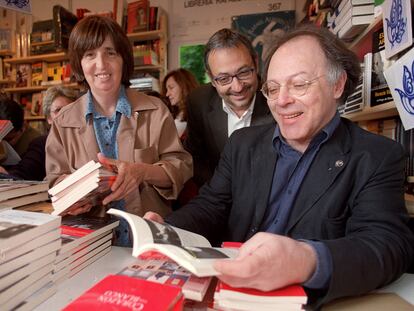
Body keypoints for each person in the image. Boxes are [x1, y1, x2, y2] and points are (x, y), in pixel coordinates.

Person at [145, 25, 414, 308]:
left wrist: (306, 260)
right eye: (273, 89)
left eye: (299, 85)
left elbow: (388, 245)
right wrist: (168, 229)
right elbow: (211, 205)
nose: (282, 101)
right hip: (229, 293)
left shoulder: (376, 156)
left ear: (337, 85)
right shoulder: (242, 144)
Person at [45, 15, 192, 246]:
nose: (101, 64)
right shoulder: (63, 122)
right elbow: (54, 183)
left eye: (110, 52)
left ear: (123, 58)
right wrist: (72, 196)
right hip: (88, 246)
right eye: (90, 54)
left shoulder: (155, 110)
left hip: (148, 238)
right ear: (79, 64)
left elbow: (180, 166)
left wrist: (141, 171)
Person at [184, 28, 274, 187]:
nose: (238, 87)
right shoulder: (198, 101)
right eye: (224, 78)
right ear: (212, 79)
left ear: (256, 63)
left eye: (244, 72)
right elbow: (195, 158)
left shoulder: (276, 98)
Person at [0, 86, 78, 180]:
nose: (64, 114)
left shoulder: (86, 137)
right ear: (49, 118)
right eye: (58, 110)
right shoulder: (41, 144)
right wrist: (6, 175)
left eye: (69, 109)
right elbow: (25, 170)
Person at [161, 68, 199, 139]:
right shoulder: (178, 114)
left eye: (171, 88)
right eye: (166, 89)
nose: (167, 94)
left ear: (184, 87)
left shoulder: (196, 115)